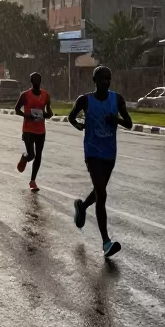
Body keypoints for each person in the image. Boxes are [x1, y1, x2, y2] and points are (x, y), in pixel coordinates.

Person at [68, 65, 133, 258]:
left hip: (109, 154)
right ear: (94, 80)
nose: (107, 82)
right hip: (93, 153)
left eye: (109, 78)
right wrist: (79, 124)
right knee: (102, 194)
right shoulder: (85, 100)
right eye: (103, 78)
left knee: (99, 190)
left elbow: (129, 123)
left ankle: (83, 206)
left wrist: (116, 119)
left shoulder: (117, 99)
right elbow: (71, 117)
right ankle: (106, 242)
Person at [15, 72, 53, 190]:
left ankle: (33, 181)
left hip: (41, 129)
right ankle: (25, 157)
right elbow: (17, 109)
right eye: (34, 80)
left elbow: (49, 111)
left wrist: (47, 115)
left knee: (39, 155)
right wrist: (27, 116)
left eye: (38, 79)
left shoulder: (46, 95)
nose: (36, 81)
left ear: (40, 81)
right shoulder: (25, 95)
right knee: (31, 154)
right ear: (31, 81)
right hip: (28, 129)